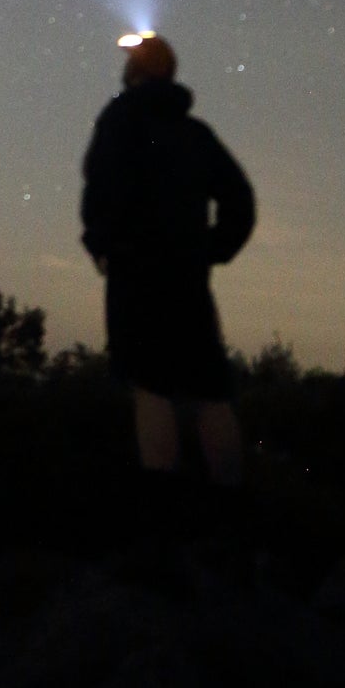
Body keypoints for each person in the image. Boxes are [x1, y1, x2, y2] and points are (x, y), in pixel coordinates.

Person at [80, 33, 255, 493]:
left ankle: (163, 512)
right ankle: (233, 507)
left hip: (135, 274)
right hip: (188, 277)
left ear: (135, 73)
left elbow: (97, 187)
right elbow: (239, 197)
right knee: (208, 384)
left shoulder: (119, 123)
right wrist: (214, 248)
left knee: (149, 382)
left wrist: (102, 245)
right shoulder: (196, 135)